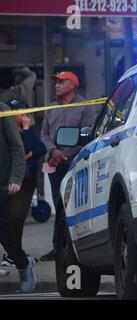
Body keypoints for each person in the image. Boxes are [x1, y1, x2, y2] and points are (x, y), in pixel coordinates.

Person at [40, 71, 96, 261]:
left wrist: (65, 154)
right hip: (54, 163)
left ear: (72, 85)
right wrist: (53, 151)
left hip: (75, 164)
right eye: (56, 82)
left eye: (61, 82)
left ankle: (75, 247)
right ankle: (57, 247)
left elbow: (87, 135)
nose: (56, 86)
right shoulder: (51, 107)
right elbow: (44, 134)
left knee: (75, 205)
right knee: (59, 205)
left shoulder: (85, 107)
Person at [1, 97, 46, 267]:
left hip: (25, 179)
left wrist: (27, 130)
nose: (16, 115)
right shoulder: (8, 125)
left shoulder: (26, 129)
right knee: (11, 219)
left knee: (17, 217)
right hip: (12, 178)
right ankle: (15, 255)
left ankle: (16, 255)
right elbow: (23, 147)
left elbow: (37, 148)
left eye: (18, 112)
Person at [0, 100, 37, 292]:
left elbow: (16, 147)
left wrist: (16, 177)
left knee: (3, 229)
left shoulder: (3, 111)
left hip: (2, 181)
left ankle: (23, 263)